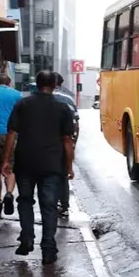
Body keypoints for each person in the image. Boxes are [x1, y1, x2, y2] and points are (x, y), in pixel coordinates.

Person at [1, 70, 75, 264]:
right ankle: (48, 248)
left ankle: (26, 238)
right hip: (52, 164)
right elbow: (68, 140)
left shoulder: (23, 104)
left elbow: (11, 133)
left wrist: (6, 160)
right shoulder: (63, 108)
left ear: (37, 84)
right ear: (54, 85)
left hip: (25, 162)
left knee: (25, 201)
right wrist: (69, 166)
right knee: (49, 206)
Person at [54, 72, 79, 217]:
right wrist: (74, 142)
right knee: (63, 174)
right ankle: (64, 205)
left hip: (44, 144)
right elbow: (76, 123)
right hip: (64, 142)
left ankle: (51, 203)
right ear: (60, 84)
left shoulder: (36, 100)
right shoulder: (68, 99)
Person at [0, 74, 21, 217]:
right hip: (10, 135)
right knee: (10, 168)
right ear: (9, 82)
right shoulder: (16, 95)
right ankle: (9, 194)